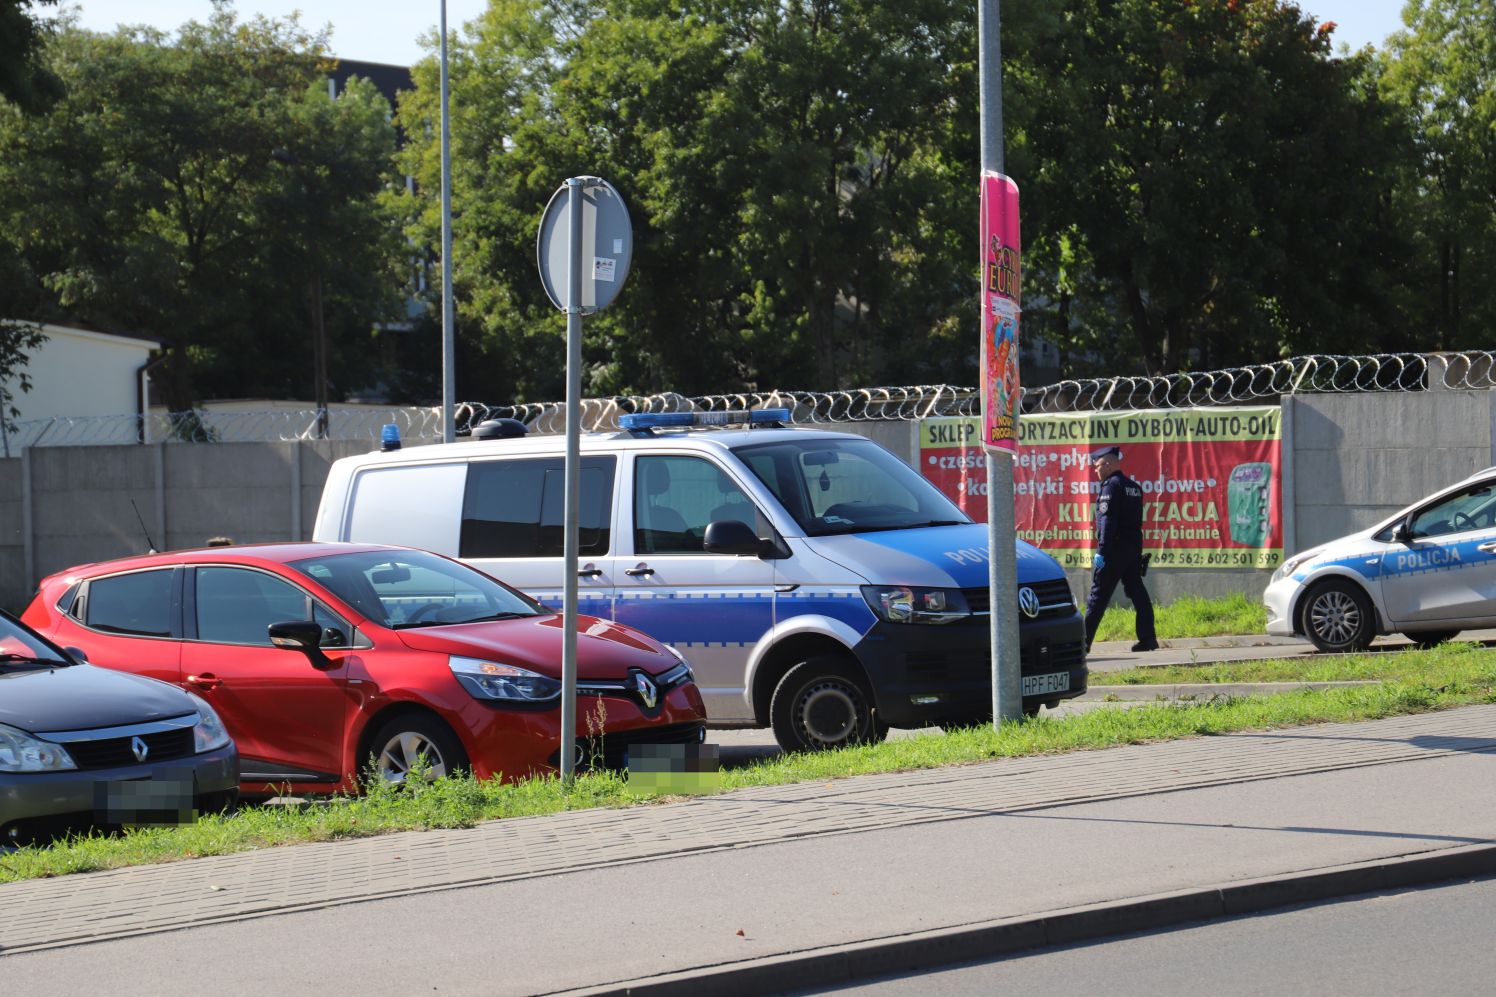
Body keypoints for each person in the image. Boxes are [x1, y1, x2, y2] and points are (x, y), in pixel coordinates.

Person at [1083, 445, 1158, 653]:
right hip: (1132, 550)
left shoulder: (1111, 487)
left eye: (1097, 466)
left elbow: (1107, 522)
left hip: (1114, 550)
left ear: (1108, 464)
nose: (1095, 471)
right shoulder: (1134, 486)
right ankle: (1148, 639)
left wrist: (1102, 551)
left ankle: (1081, 644)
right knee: (1137, 592)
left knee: (1097, 597)